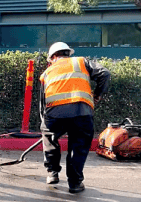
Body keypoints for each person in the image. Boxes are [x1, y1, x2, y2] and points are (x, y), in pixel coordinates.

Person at [40, 42, 110, 193]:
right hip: (82, 112)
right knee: (78, 147)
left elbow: (42, 102)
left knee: (50, 140)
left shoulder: (47, 72)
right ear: (67, 54)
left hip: (55, 113)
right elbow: (104, 73)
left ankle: (52, 173)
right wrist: (97, 95)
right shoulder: (81, 62)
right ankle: (75, 183)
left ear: (53, 57)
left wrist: (44, 124)